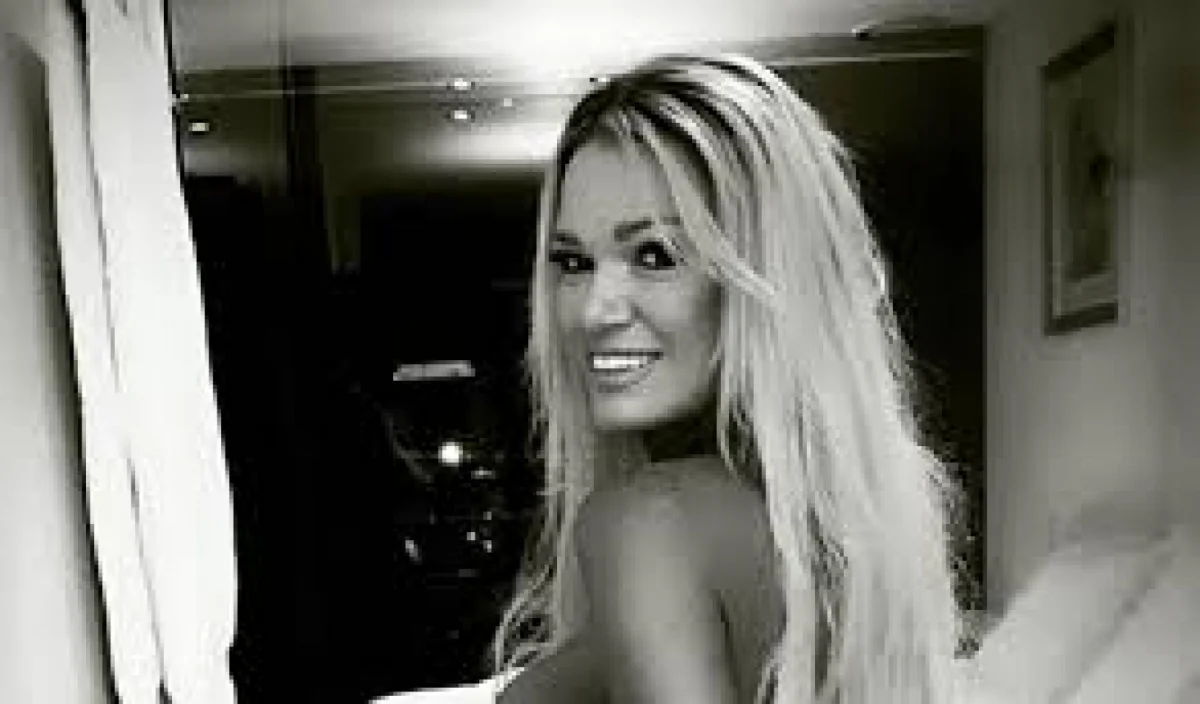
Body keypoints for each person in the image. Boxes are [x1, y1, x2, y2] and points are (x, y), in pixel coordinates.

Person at [489, 53, 964, 704]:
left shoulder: (651, 523)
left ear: (764, 276)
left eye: (654, 255)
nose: (594, 309)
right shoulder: (839, 538)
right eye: (573, 262)